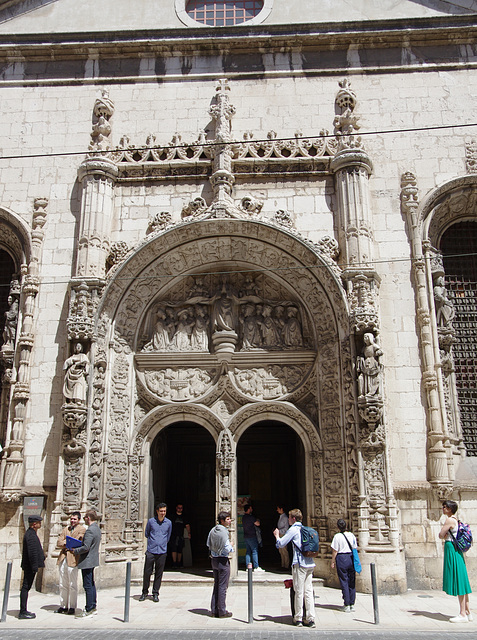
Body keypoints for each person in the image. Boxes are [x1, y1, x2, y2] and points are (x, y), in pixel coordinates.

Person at [274, 508, 316, 628]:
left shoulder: (293, 529)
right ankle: (310, 618)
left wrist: (277, 536)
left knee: (299, 591)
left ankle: (298, 618)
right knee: (308, 591)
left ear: (293, 518)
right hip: (310, 563)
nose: (288, 520)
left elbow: (281, 543)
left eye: (289, 518)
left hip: (300, 564)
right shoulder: (306, 528)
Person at [439, 500, 472, 623]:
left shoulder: (449, 520)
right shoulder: (456, 519)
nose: (443, 508)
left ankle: (462, 614)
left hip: (452, 550)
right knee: (462, 581)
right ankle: (468, 612)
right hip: (456, 551)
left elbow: (441, 535)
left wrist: (443, 532)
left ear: (449, 509)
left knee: (459, 581)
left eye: (445, 507)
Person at [55, 511, 86, 615]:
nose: (72, 521)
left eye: (74, 519)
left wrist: (68, 542)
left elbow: (78, 541)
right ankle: (63, 605)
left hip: (73, 558)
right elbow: (59, 542)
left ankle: (72, 606)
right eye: (71, 519)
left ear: (78, 520)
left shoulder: (81, 529)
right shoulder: (66, 529)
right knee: (62, 583)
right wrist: (66, 543)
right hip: (63, 557)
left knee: (72, 584)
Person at [139, 502, 172, 602]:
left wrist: (162, 544)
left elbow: (168, 536)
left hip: (162, 551)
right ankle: (144, 592)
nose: (163, 513)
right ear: (157, 511)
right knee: (147, 572)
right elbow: (147, 533)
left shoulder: (168, 523)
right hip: (151, 551)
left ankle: (155, 592)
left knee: (159, 573)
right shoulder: (151, 522)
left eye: (164, 511)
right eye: (161, 511)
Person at [73, 509, 101, 617]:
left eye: (84, 517)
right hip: (93, 560)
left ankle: (89, 608)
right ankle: (92, 606)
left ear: (88, 518)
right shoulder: (97, 529)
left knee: (87, 585)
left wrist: (75, 551)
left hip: (87, 560)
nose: (84, 519)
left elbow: (86, 547)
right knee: (91, 584)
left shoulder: (90, 530)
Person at [207, 510, 234, 618]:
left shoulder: (213, 530)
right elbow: (227, 548)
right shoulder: (223, 532)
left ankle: (214, 610)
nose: (229, 521)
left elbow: (208, 543)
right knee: (223, 586)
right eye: (227, 519)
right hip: (223, 561)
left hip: (214, 560)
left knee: (216, 584)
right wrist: (231, 545)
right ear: (222, 521)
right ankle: (222, 611)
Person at [19, 515, 45, 619]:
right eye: (39, 522)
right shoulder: (30, 535)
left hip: (30, 566)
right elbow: (32, 553)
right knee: (25, 587)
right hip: (30, 566)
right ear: (34, 524)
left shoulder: (31, 534)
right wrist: (35, 566)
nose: (40, 524)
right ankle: (23, 611)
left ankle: (23, 610)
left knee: (26, 587)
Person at [330, 519, 357, 612]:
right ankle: (352, 603)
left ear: (338, 527)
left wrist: (332, 561)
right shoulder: (352, 535)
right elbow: (355, 547)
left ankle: (347, 604)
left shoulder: (337, 536)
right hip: (350, 557)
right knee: (352, 580)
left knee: (344, 581)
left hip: (341, 558)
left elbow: (335, 550)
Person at [242, 504, 264, 572]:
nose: (252, 509)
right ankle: (256, 566)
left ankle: (248, 566)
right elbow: (257, 524)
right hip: (252, 536)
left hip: (246, 536)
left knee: (248, 551)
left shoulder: (243, 517)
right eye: (251, 508)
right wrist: (258, 520)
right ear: (248, 509)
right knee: (254, 551)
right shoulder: (251, 517)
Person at [169, 503, 191, 568]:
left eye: (181, 508)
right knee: (174, 549)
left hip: (181, 535)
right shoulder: (172, 516)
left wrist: (189, 533)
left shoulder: (184, 517)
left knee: (180, 550)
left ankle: (179, 562)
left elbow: (187, 525)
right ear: (176, 508)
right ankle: (174, 562)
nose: (180, 509)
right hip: (173, 535)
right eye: (179, 508)